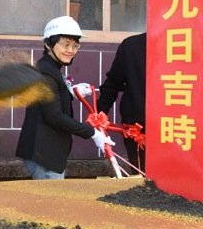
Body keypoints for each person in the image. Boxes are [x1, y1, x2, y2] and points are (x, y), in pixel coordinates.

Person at [15, 16, 114, 180]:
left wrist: (71, 92)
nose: (71, 50)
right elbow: (54, 116)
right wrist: (93, 133)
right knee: (51, 197)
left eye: (75, 45)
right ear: (48, 44)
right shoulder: (46, 72)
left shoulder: (49, 68)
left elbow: (49, 98)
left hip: (46, 153)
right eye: (65, 44)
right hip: (44, 155)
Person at [96, 32, 146, 173]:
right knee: (143, 177)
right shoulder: (131, 46)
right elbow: (113, 83)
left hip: (180, 128)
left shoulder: (189, 44)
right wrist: (99, 115)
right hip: (138, 132)